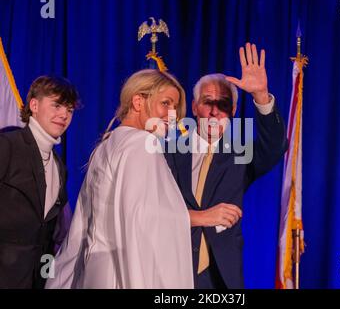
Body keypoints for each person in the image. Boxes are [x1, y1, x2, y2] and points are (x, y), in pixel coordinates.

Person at [45, 69, 194, 289]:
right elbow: (140, 216)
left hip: (95, 271)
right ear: (138, 101)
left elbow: (83, 226)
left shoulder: (106, 145)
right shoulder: (141, 143)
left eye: (175, 108)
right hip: (120, 274)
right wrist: (203, 217)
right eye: (166, 103)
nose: (172, 115)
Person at [165, 43, 288, 288]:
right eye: (207, 102)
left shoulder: (241, 154)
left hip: (220, 276)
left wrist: (261, 96)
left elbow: (275, 146)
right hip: (169, 268)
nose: (214, 112)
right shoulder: (167, 151)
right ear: (194, 107)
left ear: (232, 110)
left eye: (223, 105)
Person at [0, 75, 79, 289]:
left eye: (70, 110)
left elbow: (49, 235)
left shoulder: (59, 167)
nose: (64, 115)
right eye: (57, 105)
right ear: (34, 105)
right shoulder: (8, 145)